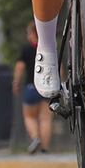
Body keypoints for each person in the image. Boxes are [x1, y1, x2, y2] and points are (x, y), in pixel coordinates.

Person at [12, 22, 52, 155]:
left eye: (29, 33)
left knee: (29, 116)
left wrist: (16, 82)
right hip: (47, 87)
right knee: (45, 119)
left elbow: (19, 67)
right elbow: (61, 68)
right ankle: (45, 149)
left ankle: (35, 138)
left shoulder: (27, 50)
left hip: (31, 87)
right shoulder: (50, 48)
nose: (28, 36)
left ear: (34, 33)